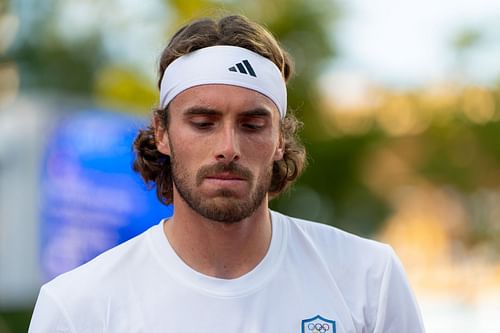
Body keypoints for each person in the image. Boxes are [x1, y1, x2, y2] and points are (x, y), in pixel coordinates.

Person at [29, 14, 425, 333]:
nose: (229, 148)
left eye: (252, 124)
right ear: (162, 133)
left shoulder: (368, 279)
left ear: (279, 140)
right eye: (203, 122)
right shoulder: (77, 307)